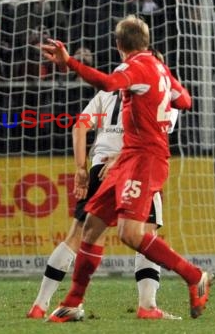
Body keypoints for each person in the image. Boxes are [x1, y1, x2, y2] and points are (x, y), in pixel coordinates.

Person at [40, 15, 213, 322]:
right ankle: (72, 303)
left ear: (119, 45)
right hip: (130, 156)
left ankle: (194, 275)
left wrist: (70, 63)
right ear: (145, 41)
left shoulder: (133, 67)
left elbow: (107, 83)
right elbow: (184, 100)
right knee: (92, 227)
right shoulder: (160, 68)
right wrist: (161, 95)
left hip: (144, 158)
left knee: (130, 234)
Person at [28, 88, 181, 320]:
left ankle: (39, 306)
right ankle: (148, 306)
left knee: (77, 236)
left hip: (98, 169)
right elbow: (153, 137)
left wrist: (81, 168)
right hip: (135, 168)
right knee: (146, 236)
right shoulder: (161, 95)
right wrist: (121, 159)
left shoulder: (107, 92)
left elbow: (79, 126)